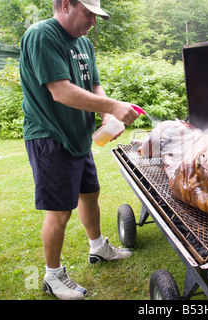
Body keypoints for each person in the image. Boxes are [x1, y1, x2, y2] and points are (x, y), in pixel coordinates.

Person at [19, 0, 139, 300]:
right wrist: (113, 106)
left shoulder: (84, 44)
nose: (93, 22)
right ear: (66, 5)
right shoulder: (42, 35)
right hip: (50, 136)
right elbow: (60, 91)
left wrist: (107, 115)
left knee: (90, 194)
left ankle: (98, 247)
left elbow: (94, 86)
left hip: (79, 137)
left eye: (96, 16)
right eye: (88, 14)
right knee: (60, 211)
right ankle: (52, 276)